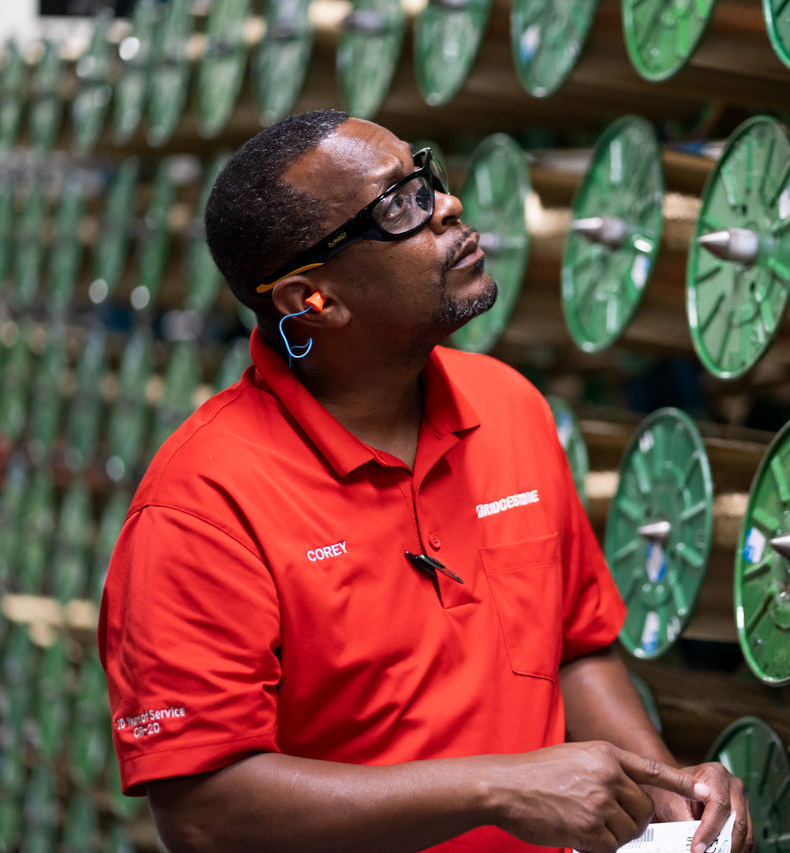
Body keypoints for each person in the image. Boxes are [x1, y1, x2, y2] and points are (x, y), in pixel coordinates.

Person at [98, 110, 752, 853]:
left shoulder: (508, 406)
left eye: (426, 177)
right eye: (397, 206)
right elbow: (203, 813)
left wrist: (667, 793)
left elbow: (574, 649)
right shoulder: (201, 506)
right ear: (312, 300)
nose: (448, 205)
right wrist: (493, 789)